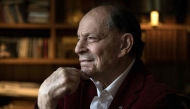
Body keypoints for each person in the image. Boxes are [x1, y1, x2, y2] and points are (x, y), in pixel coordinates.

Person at [36, 3, 184, 109]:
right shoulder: (68, 88)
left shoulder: (159, 101)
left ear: (124, 45)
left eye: (91, 38)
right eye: (78, 38)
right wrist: (44, 99)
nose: (77, 49)